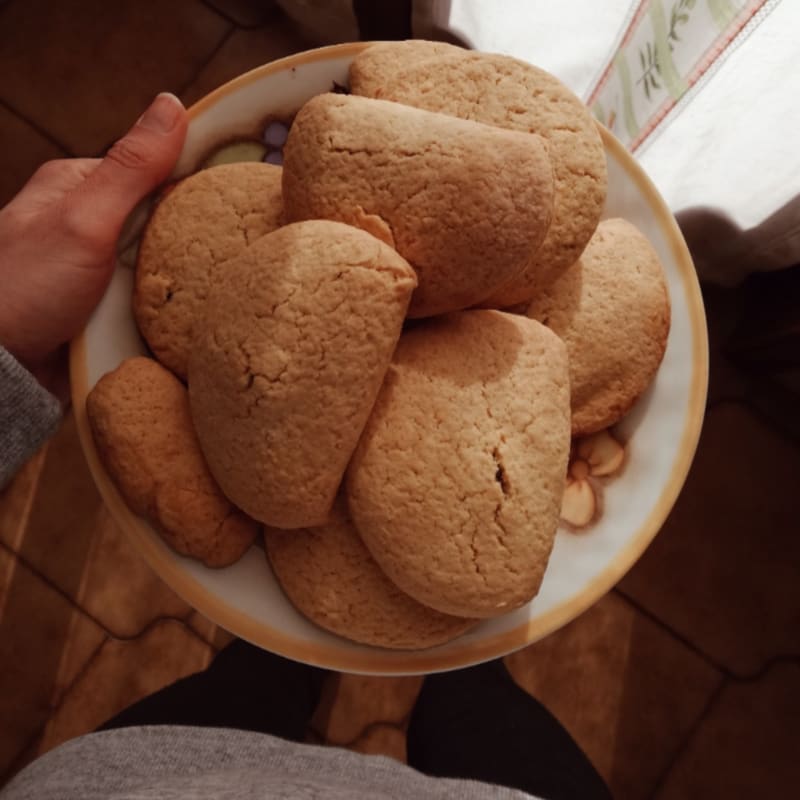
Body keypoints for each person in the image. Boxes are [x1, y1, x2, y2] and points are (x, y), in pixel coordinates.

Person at [0, 94, 611, 800]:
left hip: (145, 779)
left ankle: (288, 669)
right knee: (481, 711)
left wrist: (6, 345)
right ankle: (455, 675)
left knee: (243, 697)